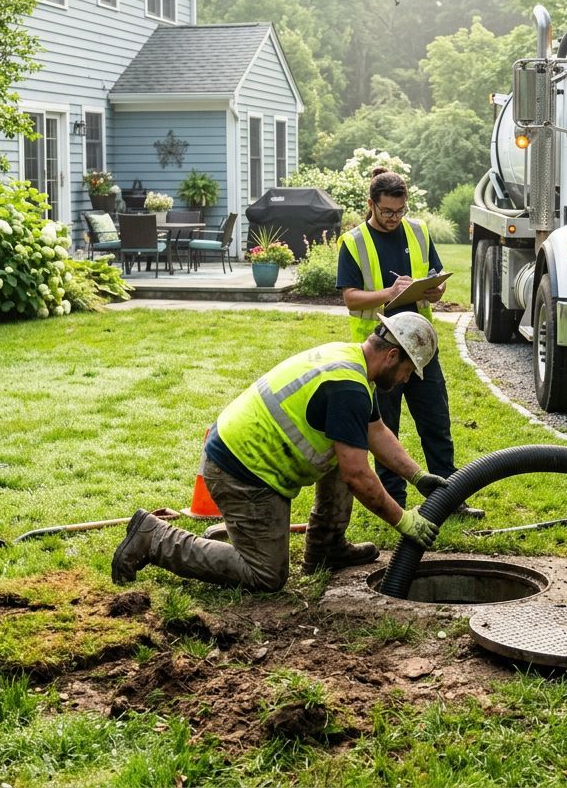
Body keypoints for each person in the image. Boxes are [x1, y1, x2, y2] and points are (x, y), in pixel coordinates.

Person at [111, 312, 446, 590]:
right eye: (407, 371)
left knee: (348, 444)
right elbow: (357, 476)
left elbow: (375, 431)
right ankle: (154, 537)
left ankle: (326, 548)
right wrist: (403, 521)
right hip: (241, 473)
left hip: (248, 455)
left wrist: (417, 476)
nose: (405, 380)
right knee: (265, 574)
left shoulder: (349, 359)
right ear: (391, 356)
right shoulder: (348, 387)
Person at [336, 168, 483, 519]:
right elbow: (351, 298)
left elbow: (436, 274)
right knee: (385, 428)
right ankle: (395, 504)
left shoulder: (417, 231)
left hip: (420, 344)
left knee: (436, 421)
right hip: (383, 350)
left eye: (400, 211)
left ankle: (450, 497)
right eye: (387, 211)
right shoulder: (354, 242)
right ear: (371, 204)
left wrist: (436, 289)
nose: (394, 218)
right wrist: (391, 293)